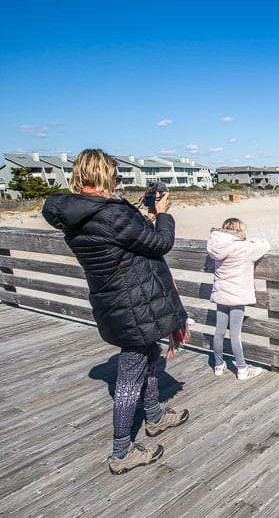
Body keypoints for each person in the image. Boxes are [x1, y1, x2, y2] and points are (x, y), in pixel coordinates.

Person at [42, 148, 189, 475]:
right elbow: (159, 243)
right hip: (132, 302)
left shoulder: (77, 213)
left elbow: (125, 242)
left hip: (114, 299)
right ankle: (122, 451)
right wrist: (162, 214)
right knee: (130, 374)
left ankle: (154, 417)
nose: (118, 180)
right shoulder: (109, 214)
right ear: (102, 176)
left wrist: (141, 217)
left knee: (149, 354)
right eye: (116, 175)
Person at [207, 218, 270, 381]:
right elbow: (265, 245)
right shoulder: (244, 248)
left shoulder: (217, 246)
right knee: (235, 334)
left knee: (219, 331)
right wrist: (250, 239)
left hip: (221, 294)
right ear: (239, 231)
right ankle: (242, 368)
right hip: (237, 296)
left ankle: (219, 365)